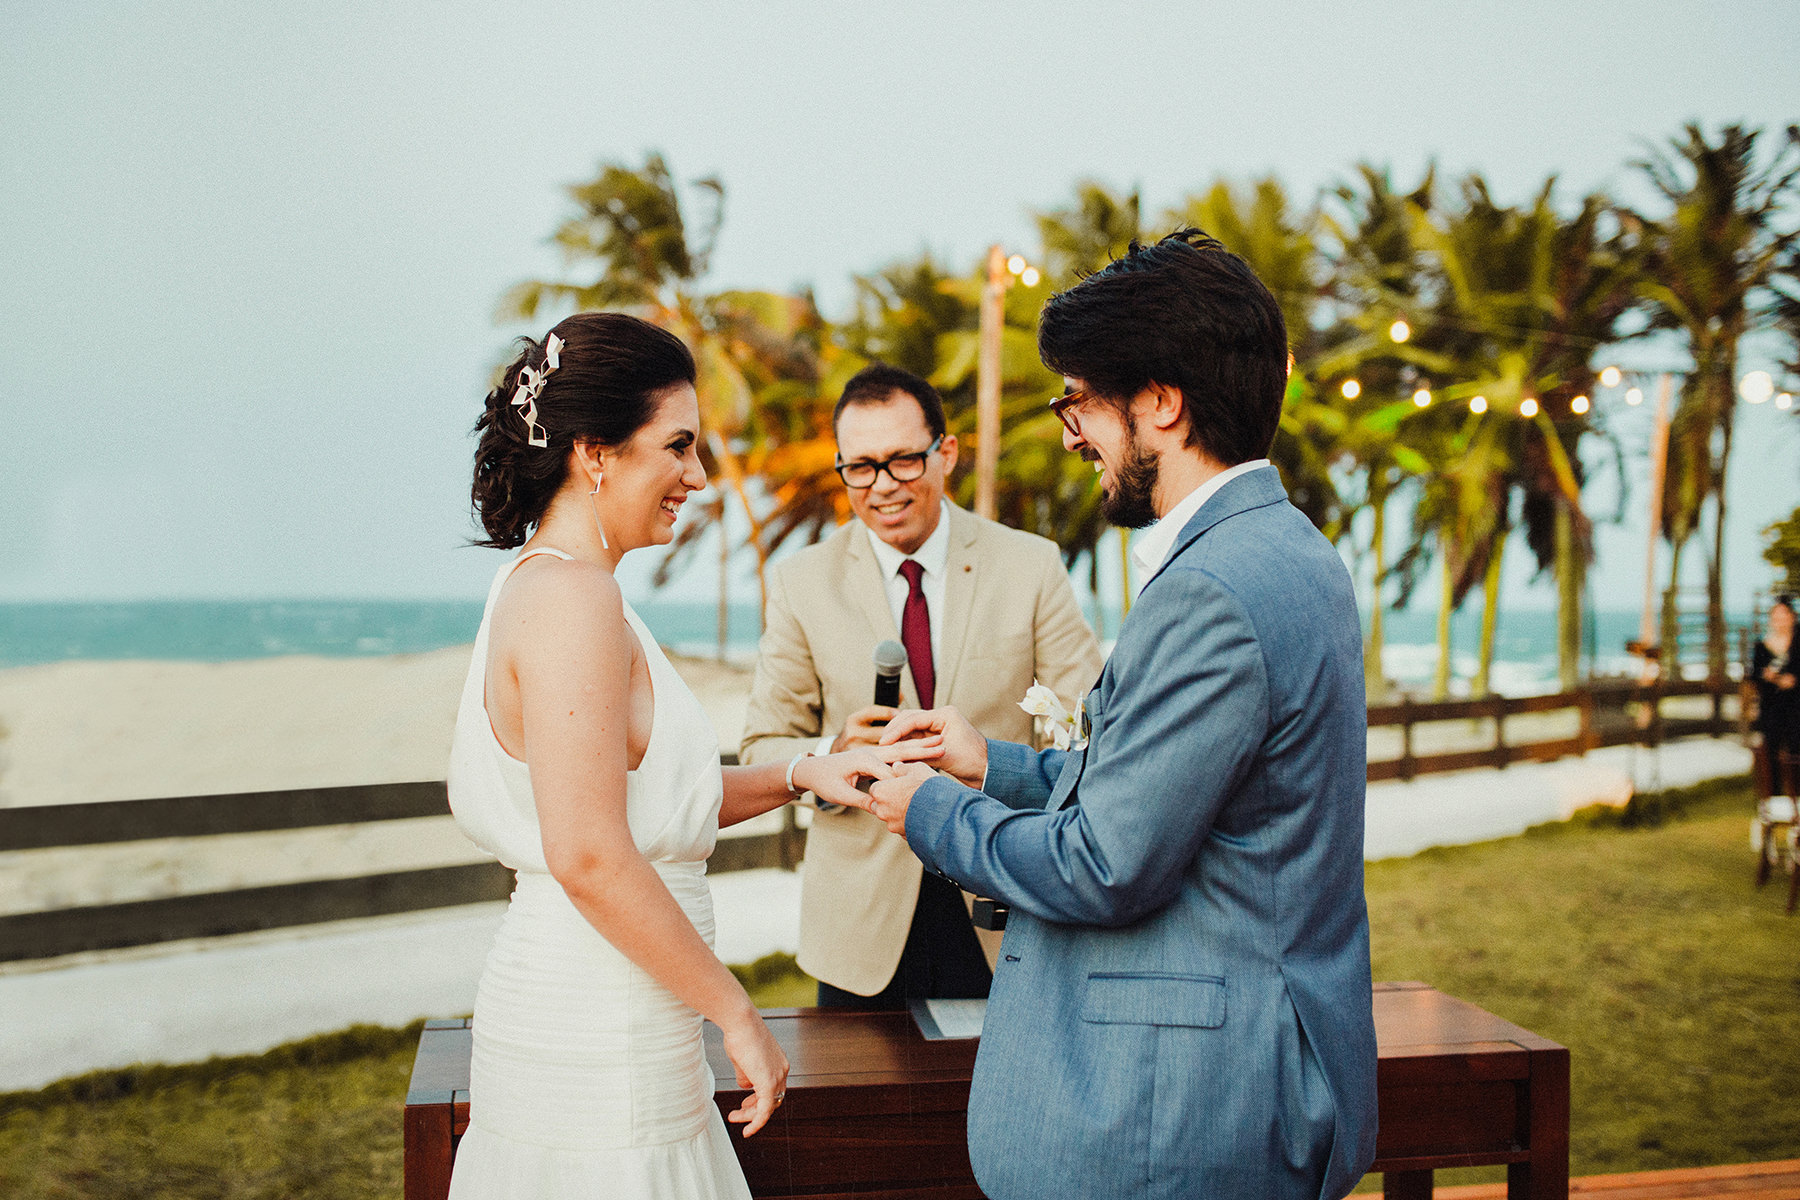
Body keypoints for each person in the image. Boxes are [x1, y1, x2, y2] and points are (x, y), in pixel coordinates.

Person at [861, 232, 1380, 1199]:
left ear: (1162, 403)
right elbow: (1177, 791)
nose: (1068, 432)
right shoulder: (1292, 550)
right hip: (1253, 1068)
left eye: (1080, 400)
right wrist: (995, 766)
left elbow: (1107, 864)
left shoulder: (1212, 590)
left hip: (1181, 1110)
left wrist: (927, 810)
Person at [444, 313, 929, 1199]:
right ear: (595, 451)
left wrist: (800, 771)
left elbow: (647, 804)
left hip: (623, 1012)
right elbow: (588, 854)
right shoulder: (572, 600)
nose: (697, 477)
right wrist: (735, 1011)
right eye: (677, 446)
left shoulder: (555, 587)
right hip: (599, 1025)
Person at [740, 363, 1102, 1009]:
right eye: (861, 467)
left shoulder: (1030, 564)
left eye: (904, 460)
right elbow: (762, 747)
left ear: (947, 454)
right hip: (860, 929)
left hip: (1000, 896)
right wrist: (832, 753)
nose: (883, 487)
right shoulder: (801, 581)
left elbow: (1093, 723)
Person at [1754, 595, 1799, 797]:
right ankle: (1774, 799)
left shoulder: (1797, 643)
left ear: (1792, 617)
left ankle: (1797, 798)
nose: (1780, 620)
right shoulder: (1762, 646)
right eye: (1776, 616)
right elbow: (1755, 675)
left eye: (1784, 615)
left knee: (1795, 753)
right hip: (1772, 707)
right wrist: (1768, 677)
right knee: (1770, 753)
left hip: (1796, 707)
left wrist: (1792, 680)